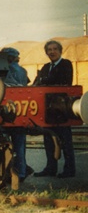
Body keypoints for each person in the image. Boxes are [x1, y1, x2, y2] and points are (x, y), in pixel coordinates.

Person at [33, 40, 76, 178]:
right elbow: (36, 83)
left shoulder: (66, 64)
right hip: (48, 109)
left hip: (62, 109)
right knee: (48, 140)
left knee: (65, 140)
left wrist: (44, 81)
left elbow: (63, 81)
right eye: (49, 50)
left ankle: (69, 170)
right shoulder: (45, 67)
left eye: (55, 49)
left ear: (60, 50)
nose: (52, 52)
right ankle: (50, 168)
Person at [2, 47, 30, 181]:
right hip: (20, 111)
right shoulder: (23, 71)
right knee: (20, 145)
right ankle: (22, 171)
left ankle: (7, 171)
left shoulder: (6, 69)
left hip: (6, 111)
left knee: (5, 144)